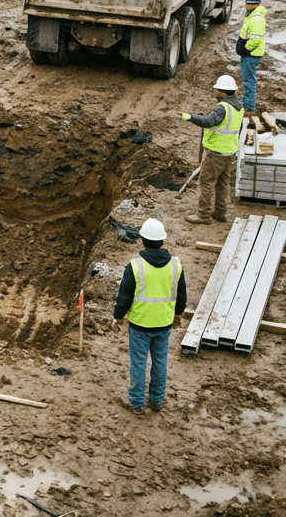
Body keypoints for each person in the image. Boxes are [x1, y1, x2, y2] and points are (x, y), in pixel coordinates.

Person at [113, 217, 186, 415]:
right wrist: (178, 314)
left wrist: (117, 316)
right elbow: (181, 295)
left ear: (142, 240)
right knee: (160, 362)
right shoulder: (176, 265)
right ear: (162, 241)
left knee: (138, 363)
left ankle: (137, 403)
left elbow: (124, 296)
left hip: (140, 325)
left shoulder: (135, 266)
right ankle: (156, 400)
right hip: (164, 324)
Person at [180, 74, 243, 225]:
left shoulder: (222, 107)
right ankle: (220, 213)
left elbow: (209, 121)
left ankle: (203, 215)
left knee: (206, 182)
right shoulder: (239, 107)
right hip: (229, 152)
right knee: (223, 182)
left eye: (217, 90)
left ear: (223, 92)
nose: (215, 92)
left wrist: (190, 117)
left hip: (216, 153)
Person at [236, 0, 267, 115]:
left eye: (249, 3)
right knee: (247, 79)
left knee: (249, 80)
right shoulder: (252, 15)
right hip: (249, 54)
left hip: (251, 55)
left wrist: (246, 48)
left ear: (256, 5)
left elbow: (256, 38)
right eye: (246, 2)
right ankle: (247, 104)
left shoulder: (257, 19)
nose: (246, 5)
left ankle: (248, 107)